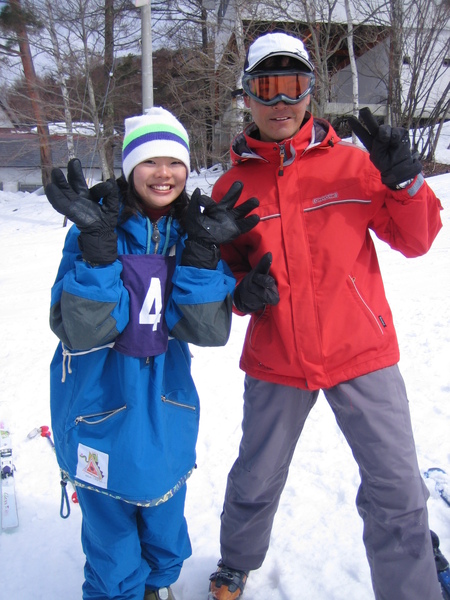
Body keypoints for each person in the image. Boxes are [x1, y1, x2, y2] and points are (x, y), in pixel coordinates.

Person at [207, 32, 444, 600]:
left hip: (361, 350)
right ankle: (237, 560)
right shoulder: (231, 186)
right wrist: (242, 293)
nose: (282, 102)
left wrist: (406, 181)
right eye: (269, 86)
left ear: (311, 93)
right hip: (278, 355)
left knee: (396, 486)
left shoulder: (353, 166)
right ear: (247, 96)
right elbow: (220, 276)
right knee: (256, 476)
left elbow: (417, 240)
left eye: (294, 86)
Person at [45, 106, 259, 600]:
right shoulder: (94, 227)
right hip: (98, 402)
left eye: (175, 162)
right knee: (112, 534)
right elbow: (81, 332)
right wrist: (99, 250)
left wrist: (203, 255)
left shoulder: (192, 231)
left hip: (166, 403)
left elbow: (205, 331)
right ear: (128, 167)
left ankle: (156, 586)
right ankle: (118, 591)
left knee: (165, 525)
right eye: (149, 161)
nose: (164, 173)